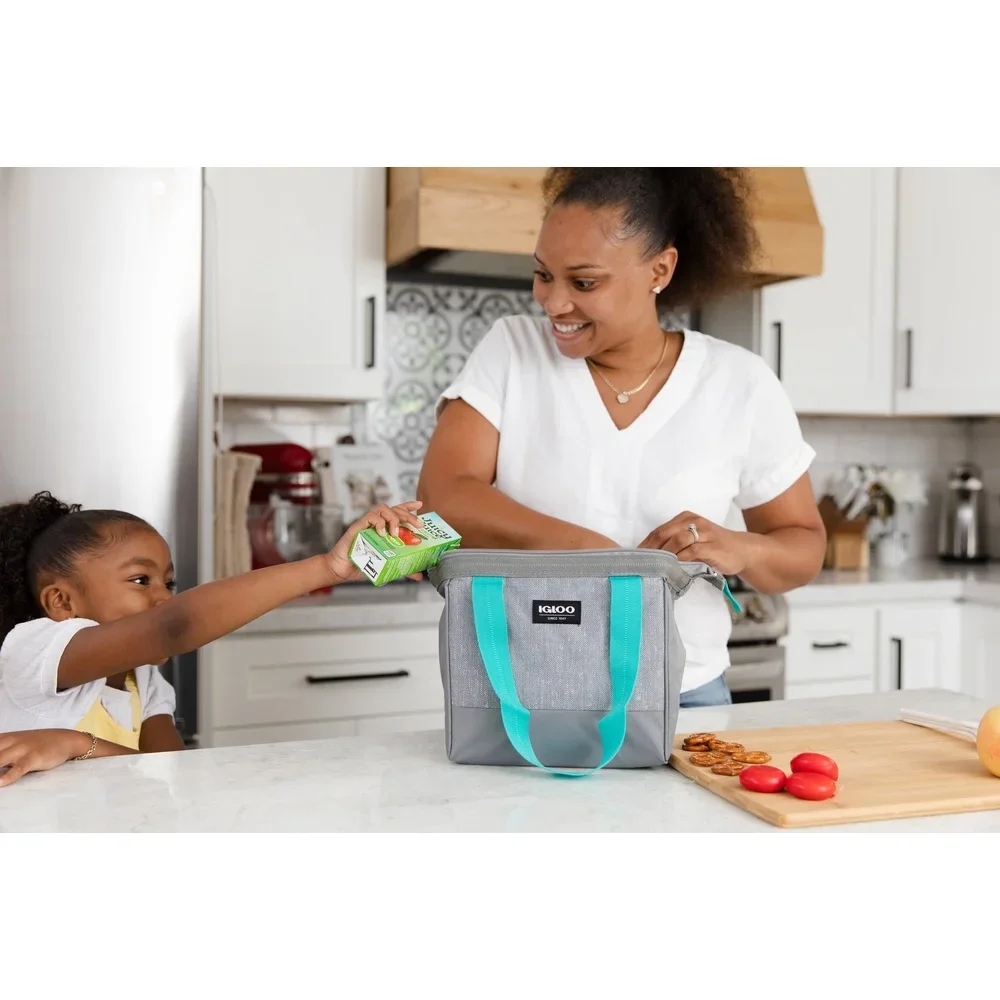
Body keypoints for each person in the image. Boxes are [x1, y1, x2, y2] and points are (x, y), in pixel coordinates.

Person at [418, 167, 826, 708]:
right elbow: (443, 496)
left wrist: (738, 547)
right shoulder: (512, 351)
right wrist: (599, 557)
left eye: (584, 283)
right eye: (543, 275)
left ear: (661, 269)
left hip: (684, 694)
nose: (553, 303)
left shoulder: (740, 382)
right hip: (524, 692)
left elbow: (802, 547)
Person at [0, 491, 423, 787]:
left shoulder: (143, 683)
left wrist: (77, 745)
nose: (164, 597)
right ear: (62, 602)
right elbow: (174, 626)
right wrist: (326, 568)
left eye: (169, 583)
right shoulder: (33, 653)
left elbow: (169, 777)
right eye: (140, 579)